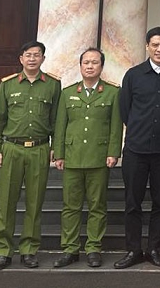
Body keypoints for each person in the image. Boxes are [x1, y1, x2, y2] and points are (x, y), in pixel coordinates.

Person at [114, 27, 160, 269]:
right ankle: (133, 250)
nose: (159, 49)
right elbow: (125, 109)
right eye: (155, 45)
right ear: (147, 47)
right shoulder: (133, 75)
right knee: (132, 202)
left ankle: (154, 248)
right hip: (136, 148)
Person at [0, 41, 61, 270]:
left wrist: (56, 147)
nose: (32, 59)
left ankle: (29, 250)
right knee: (7, 202)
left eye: (36, 55)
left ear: (43, 58)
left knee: (34, 203)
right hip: (12, 149)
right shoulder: (8, 85)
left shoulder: (53, 85)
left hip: (39, 149)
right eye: (28, 55)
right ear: (21, 59)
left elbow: (56, 120)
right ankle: (4, 251)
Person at [53, 48, 122, 269]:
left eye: (94, 62)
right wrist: (59, 153)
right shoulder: (67, 93)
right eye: (86, 62)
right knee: (70, 206)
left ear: (102, 66)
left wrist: (113, 152)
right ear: (80, 66)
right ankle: (70, 249)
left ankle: (93, 248)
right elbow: (60, 126)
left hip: (98, 157)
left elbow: (115, 126)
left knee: (97, 206)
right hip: (72, 157)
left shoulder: (112, 92)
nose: (90, 66)